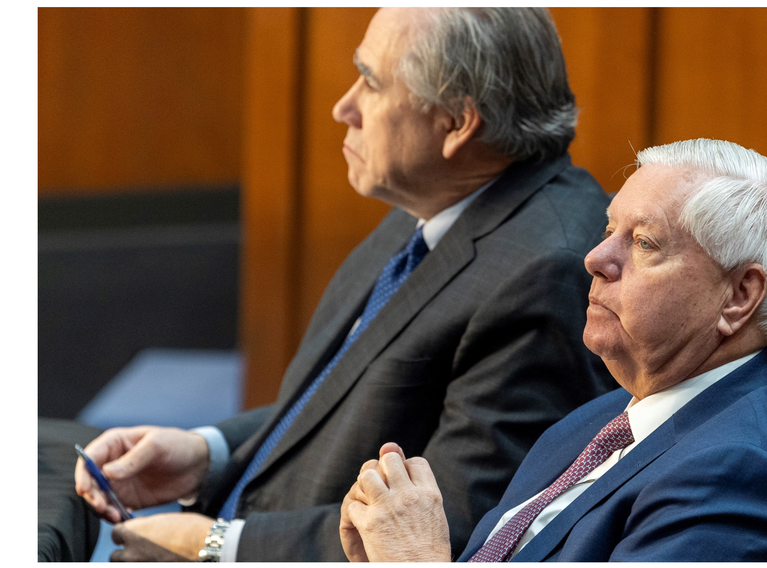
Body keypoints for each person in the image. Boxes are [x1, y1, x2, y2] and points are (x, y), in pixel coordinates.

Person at [74, 7, 616, 562]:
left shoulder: (542, 273)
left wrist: (220, 547)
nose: (344, 107)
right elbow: (348, 397)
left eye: (372, 82)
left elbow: (449, 526)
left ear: (457, 124)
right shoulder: (438, 197)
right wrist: (208, 453)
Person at [339, 138, 767, 562]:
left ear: (739, 296)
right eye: (607, 231)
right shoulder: (602, 417)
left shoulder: (735, 473)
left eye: (643, 242)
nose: (595, 259)